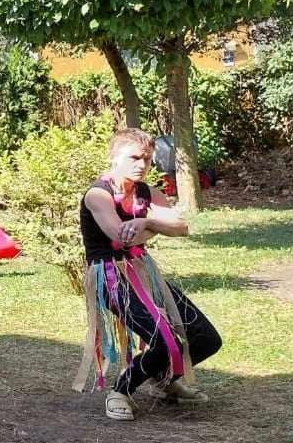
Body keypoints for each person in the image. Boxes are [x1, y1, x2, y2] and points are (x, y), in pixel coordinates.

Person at [76, 127, 221, 421]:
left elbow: (181, 227)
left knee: (205, 338)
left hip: (144, 273)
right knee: (164, 341)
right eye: (134, 157)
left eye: (147, 159)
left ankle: (164, 381)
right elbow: (118, 236)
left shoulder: (147, 193)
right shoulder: (98, 195)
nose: (142, 165)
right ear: (114, 157)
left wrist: (146, 222)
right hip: (110, 276)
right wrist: (151, 223)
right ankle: (120, 391)